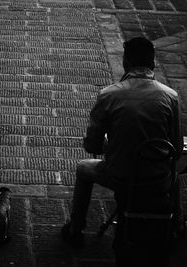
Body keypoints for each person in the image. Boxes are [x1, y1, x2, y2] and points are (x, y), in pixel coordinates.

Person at [61, 37, 183, 251]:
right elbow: (175, 147)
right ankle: (176, 226)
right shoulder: (170, 96)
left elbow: (92, 145)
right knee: (174, 175)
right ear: (152, 64)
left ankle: (75, 229)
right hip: (157, 177)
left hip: (121, 176)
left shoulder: (109, 94)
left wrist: (111, 144)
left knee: (83, 168)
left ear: (126, 63)